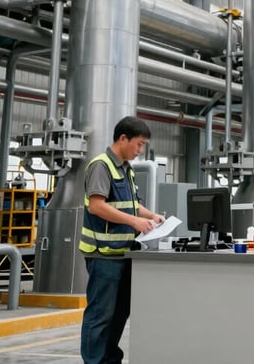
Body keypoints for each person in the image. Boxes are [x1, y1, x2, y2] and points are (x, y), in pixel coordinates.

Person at [79, 116, 166, 364]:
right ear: (123, 138)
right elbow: (97, 206)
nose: (140, 151)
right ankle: (94, 361)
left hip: (123, 252)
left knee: (119, 314)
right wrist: (134, 222)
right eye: (138, 144)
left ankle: (109, 359)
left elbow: (132, 205)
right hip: (103, 254)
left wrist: (152, 217)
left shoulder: (125, 168)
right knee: (100, 314)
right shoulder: (101, 166)